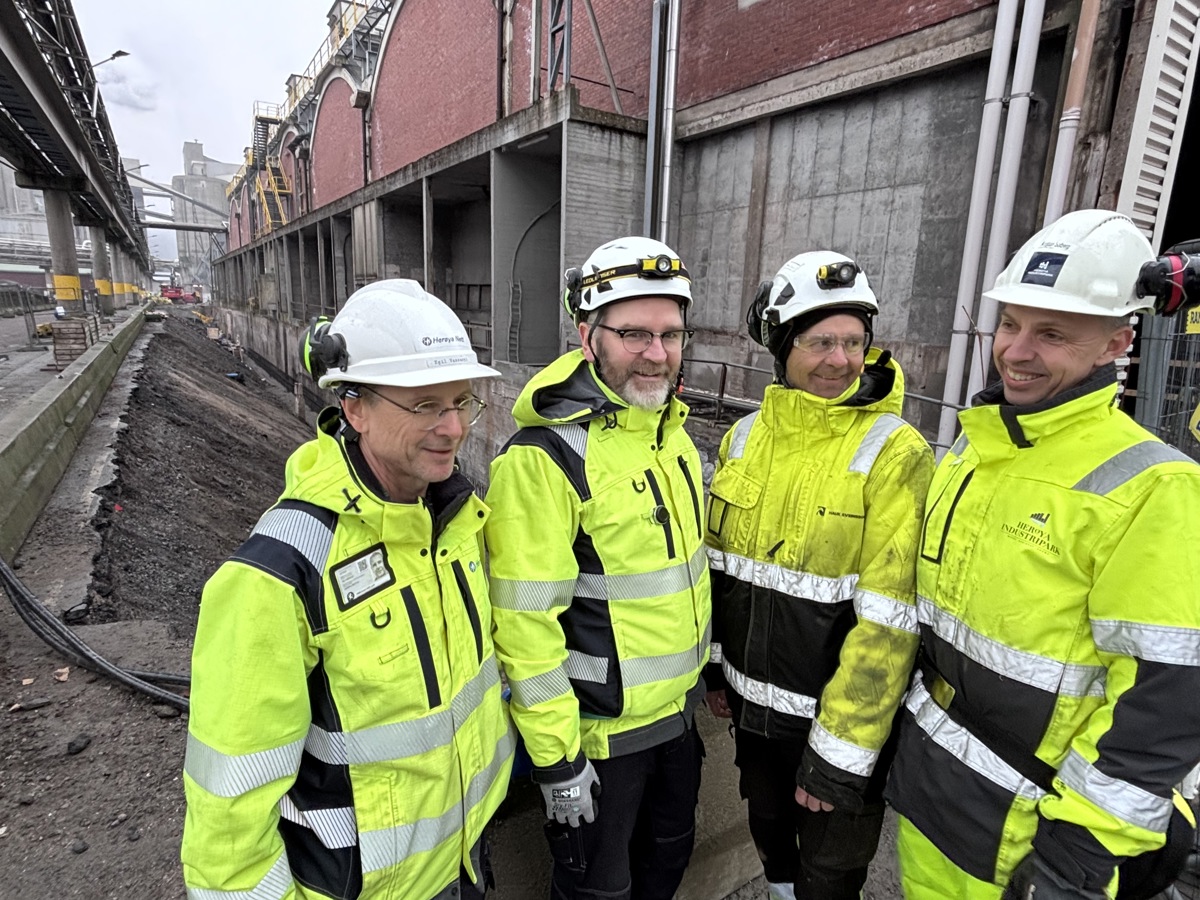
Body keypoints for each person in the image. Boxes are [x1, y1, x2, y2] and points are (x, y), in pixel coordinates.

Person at [885, 209, 1200, 900]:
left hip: (1033, 839)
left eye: (1052, 334)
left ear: (1115, 343)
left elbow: (1162, 703)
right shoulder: (978, 447)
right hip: (932, 800)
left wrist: (1080, 857)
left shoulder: (1154, 486)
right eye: (1010, 325)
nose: (1017, 352)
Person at [181, 280, 515, 900]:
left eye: (462, 403)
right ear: (354, 407)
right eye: (424, 405)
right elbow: (229, 812)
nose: (452, 428)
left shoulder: (456, 523)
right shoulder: (278, 573)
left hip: (464, 858)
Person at [484, 237, 711, 900]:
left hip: (678, 723)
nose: (656, 352)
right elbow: (524, 627)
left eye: (671, 334)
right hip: (602, 744)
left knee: (667, 870)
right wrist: (557, 760)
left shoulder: (671, 436)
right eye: (633, 332)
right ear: (589, 337)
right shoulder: (545, 458)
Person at [704, 251, 934, 900]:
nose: (840, 360)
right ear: (782, 345)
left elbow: (889, 625)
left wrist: (839, 756)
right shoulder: (744, 439)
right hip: (756, 721)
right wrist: (717, 671)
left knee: (828, 877)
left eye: (854, 342)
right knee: (773, 849)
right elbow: (722, 570)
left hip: (837, 732)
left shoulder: (894, 452)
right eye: (820, 342)